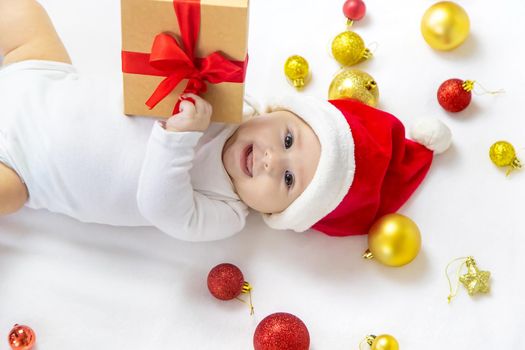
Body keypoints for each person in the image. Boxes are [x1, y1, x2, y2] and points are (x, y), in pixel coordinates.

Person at [0, 0, 452, 241]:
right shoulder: (233, 101)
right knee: (26, 14)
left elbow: (161, 207)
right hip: (42, 76)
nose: (274, 160)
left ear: (278, 213)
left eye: (290, 180)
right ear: (276, 111)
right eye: (289, 137)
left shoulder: (226, 213)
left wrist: (178, 140)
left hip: (27, 171)